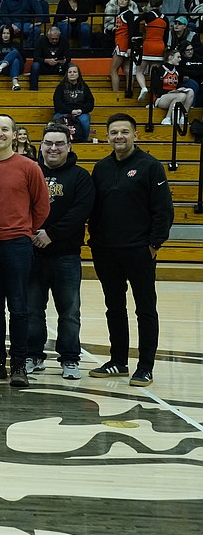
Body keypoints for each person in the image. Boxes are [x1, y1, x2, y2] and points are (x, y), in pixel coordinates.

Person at [88, 113, 173, 386]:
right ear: (108, 136)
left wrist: (153, 244)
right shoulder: (101, 168)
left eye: (125, 132)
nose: (119, 137)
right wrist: (95, 242)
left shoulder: (150, 167)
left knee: (145, 309)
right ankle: (118, 361)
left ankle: (145, 366)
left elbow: (163, 211)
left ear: (135, 135)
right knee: (114, 308)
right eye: (114, 132)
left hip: (139, 251)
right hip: (106, 251)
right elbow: (95, 209)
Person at [0, 114, 50, 387]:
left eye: (5, 129)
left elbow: (42, 206)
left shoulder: (29, 167)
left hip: (17, 244)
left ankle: (19, 364)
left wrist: (26, 229)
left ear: (15, 134)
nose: (0, 133)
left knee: (19, 307)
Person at [24, 122, 94, 381]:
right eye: (48, 143)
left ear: (69, 146)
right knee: (32, 309)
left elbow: (80, 213)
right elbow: (20, 205)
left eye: (59, 143)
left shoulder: (80, 177)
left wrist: (50, 234)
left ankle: (69, 358)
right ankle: (33, 355)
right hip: (33, 254)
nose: (53, 148)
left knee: (69, 311)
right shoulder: (29, 171)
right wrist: (33, 232)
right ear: (40, 146)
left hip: (66, 255)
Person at [151, 49, 195, 125]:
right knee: (181, 96)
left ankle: (183, 117)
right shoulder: (159, 70)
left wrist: (179, 90)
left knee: (190, 91)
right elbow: (156, 89)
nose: (180, 59)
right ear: (170, 57)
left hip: (175, 95)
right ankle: (167, 118)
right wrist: (171, 92)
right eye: (178, 57)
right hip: (160, 97)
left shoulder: (177, 70)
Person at [30, 26, 70, 91]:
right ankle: (33, 89)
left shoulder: (64, 41)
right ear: (48, 36)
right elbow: (36, 57)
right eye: (52, 39)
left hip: (58, 66)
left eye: (56, 39)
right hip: (44, 66)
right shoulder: (41, 40)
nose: (54, 41)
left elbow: (68, 58)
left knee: (71, 65)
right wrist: (46, 61)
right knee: (35, 65)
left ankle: (69, 90)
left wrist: (63, 60)